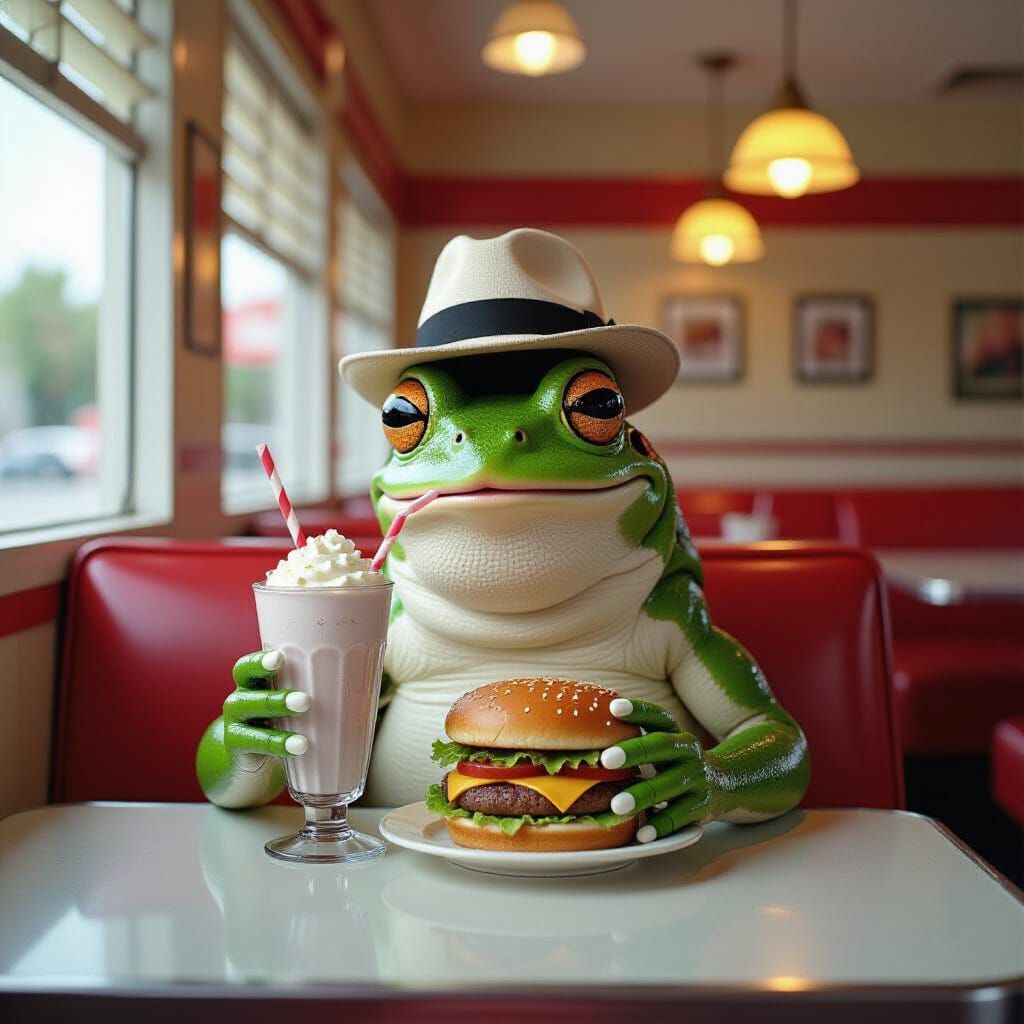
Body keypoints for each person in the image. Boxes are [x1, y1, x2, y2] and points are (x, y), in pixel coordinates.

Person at [196, 229, 809, 839]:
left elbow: (779, 743)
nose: (488, 453)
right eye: (408, 417)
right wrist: (248, 744)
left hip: (629, 887)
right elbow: (231, 790)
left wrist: (720, 779)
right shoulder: (375, 623)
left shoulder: (667, 617)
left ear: (646, 457)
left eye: (590, 407)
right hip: (393, 895)